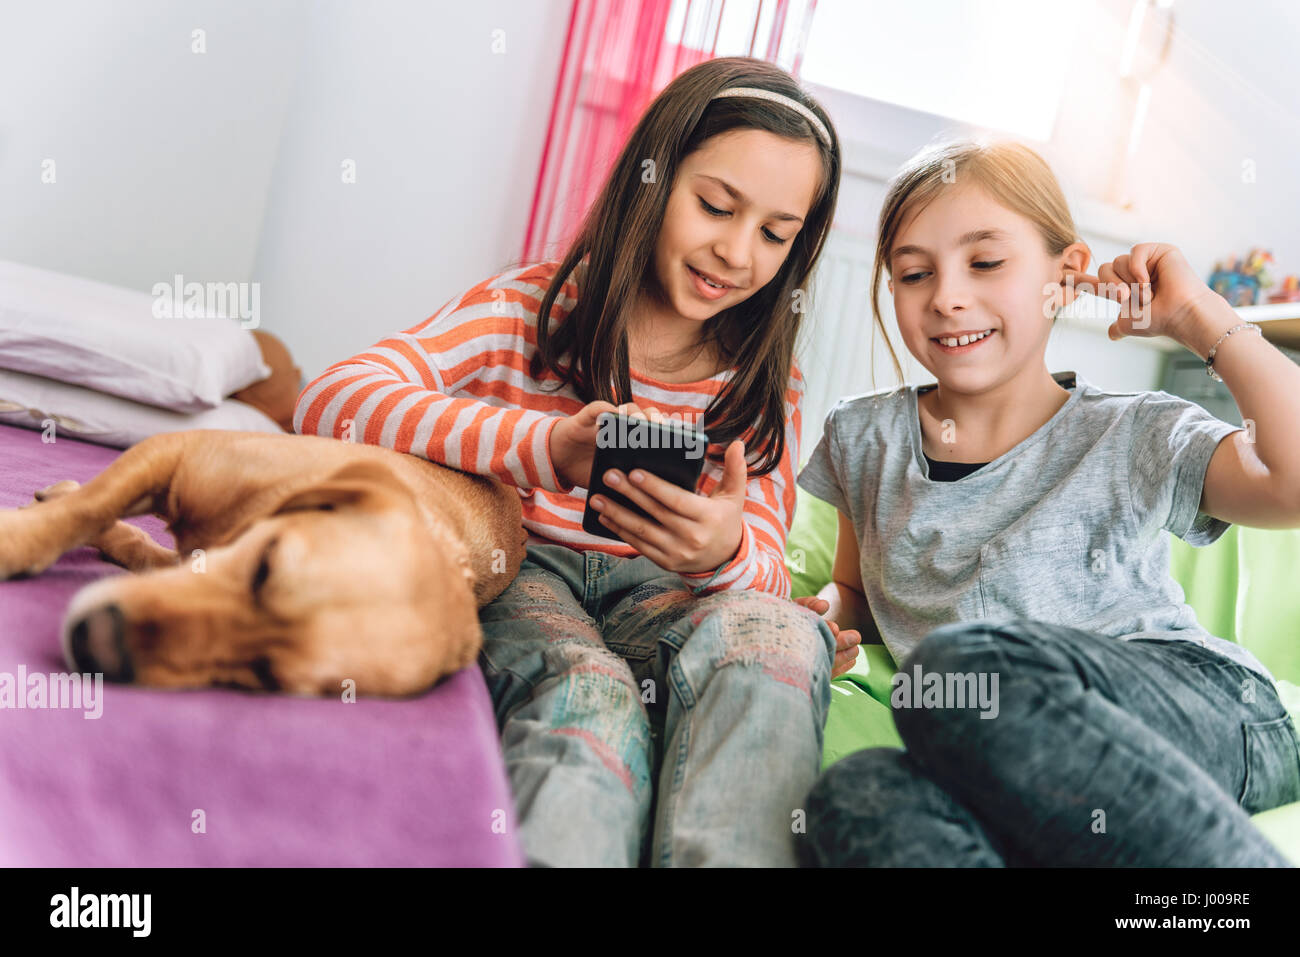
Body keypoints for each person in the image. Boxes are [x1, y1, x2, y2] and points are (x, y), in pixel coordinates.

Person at [295, 57, 850, 866]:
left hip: (671, 597)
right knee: (592, 698)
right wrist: (545, 447)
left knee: (781, 643)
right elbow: (334, 398)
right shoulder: (528, 308)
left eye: (774, 233)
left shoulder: (766, 382)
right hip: (526, 573)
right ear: (652, 182)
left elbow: (766, 564)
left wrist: (723, 553)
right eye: (715, 206)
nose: (736, 251)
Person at [794, 138, 1300, 867]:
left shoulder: (1135, 428)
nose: (947, 296)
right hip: (1004, 754)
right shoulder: (862, 436)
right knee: (857, 794)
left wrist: (1200, 317)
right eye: (913, 273)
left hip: (1206, 713)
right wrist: (827, 617)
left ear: (1064, 278)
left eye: (986, 262)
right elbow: (857, 590)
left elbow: (1290, 481)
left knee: (960, 671)